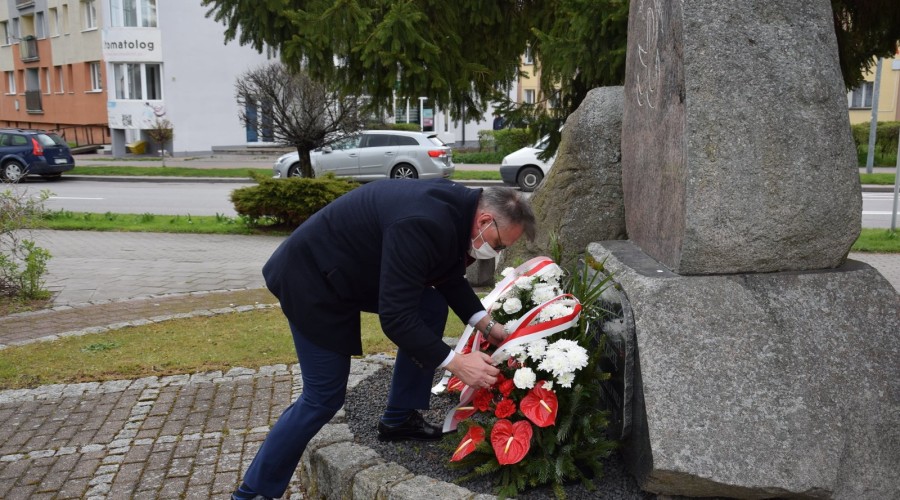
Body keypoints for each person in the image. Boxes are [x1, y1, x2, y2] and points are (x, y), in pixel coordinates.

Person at [232, 179, 536, 500]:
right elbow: (397, 317)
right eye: (500, 245)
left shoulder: (459, 211)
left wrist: (488, 326)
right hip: (311, 279)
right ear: (485, 221)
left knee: (430, 305)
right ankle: (253, 492)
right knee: (322, 398)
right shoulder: (424, 221)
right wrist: (457, 363)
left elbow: (448, 275)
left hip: (348, 271)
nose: (497, 252)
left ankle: (399, 417)